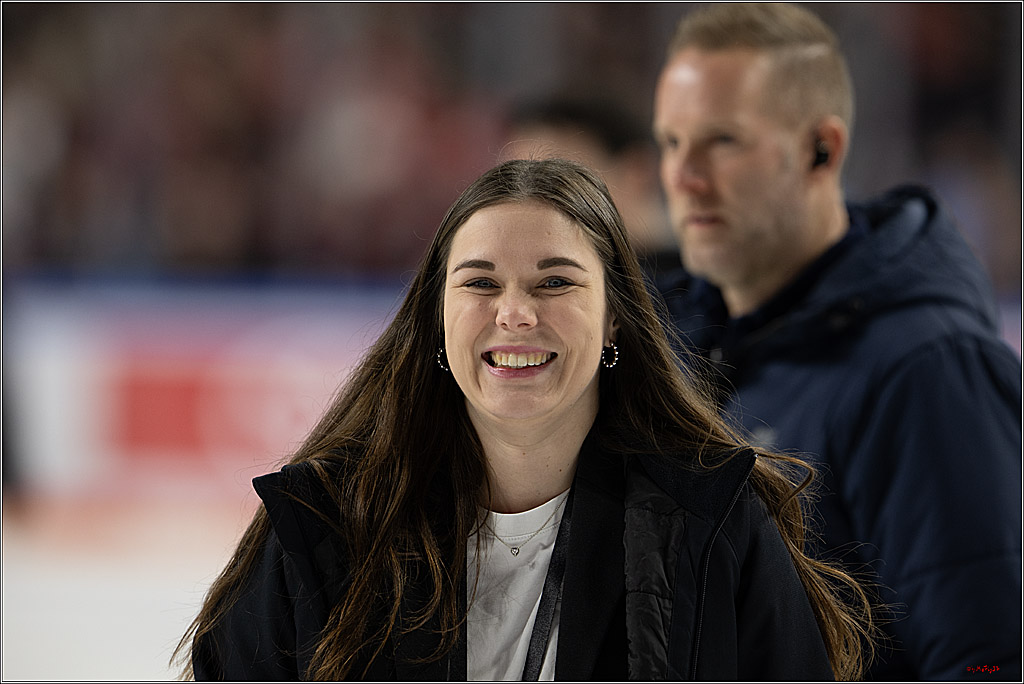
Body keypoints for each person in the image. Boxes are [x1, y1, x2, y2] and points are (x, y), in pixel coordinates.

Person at [172, 158, 878, 680]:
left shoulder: (715, 525)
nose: (514, 312)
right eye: (480, 282)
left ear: (613, 324)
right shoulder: (323, 525)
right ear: (437, 319)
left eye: (555, 282)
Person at [651, 3, 1022, 681]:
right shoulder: (682, 348)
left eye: (722, 140)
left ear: (823, 149)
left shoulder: (926, 369)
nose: (683, 175)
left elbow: (989, 655)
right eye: (672, 142)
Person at [500, 96, 681, 283]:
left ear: (636, 171)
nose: (526, 199)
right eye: (509, 184)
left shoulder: (696, 287)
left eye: (556, 181)